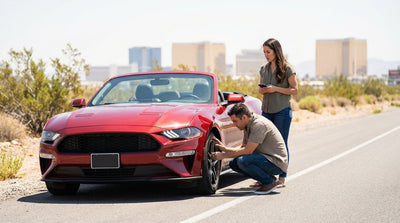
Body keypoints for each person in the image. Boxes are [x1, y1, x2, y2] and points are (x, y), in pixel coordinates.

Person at [211, 103, 288, 195]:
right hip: (266, 159)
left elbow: (248, 151)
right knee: (233, 163)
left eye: (235, 121)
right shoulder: (247, 124)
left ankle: (269, 183)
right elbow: (243, 147)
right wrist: (226, 149)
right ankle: (268, 179)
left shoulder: (258, 125)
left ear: (243, 117)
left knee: (243, 161)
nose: (234, 124)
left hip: (276, 163)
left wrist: (222, 156)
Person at [258, 38, 298, 187]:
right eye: (264, 52)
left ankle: (282, 178)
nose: (266, 55)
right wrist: (262, 90)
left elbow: (295, 90)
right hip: (266, 111)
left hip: (282, 111)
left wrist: (275, 88)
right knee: (263, 144)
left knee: (281, 144)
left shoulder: (287, 68)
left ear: (276, 51)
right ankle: (264, 177)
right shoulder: (263, 68)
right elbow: (261, 90)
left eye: (268, 52)